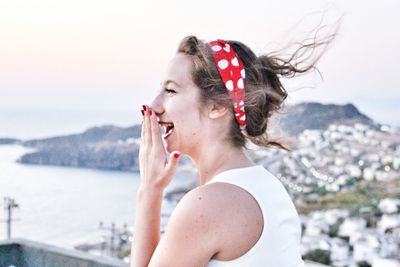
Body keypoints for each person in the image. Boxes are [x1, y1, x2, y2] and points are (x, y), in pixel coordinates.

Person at [130, 33, 335, 266]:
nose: (154, 106)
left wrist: (148, 191)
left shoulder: (209, 204)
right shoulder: (266, 186)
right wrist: (153, 189)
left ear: (217, 105)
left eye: (170, 91)